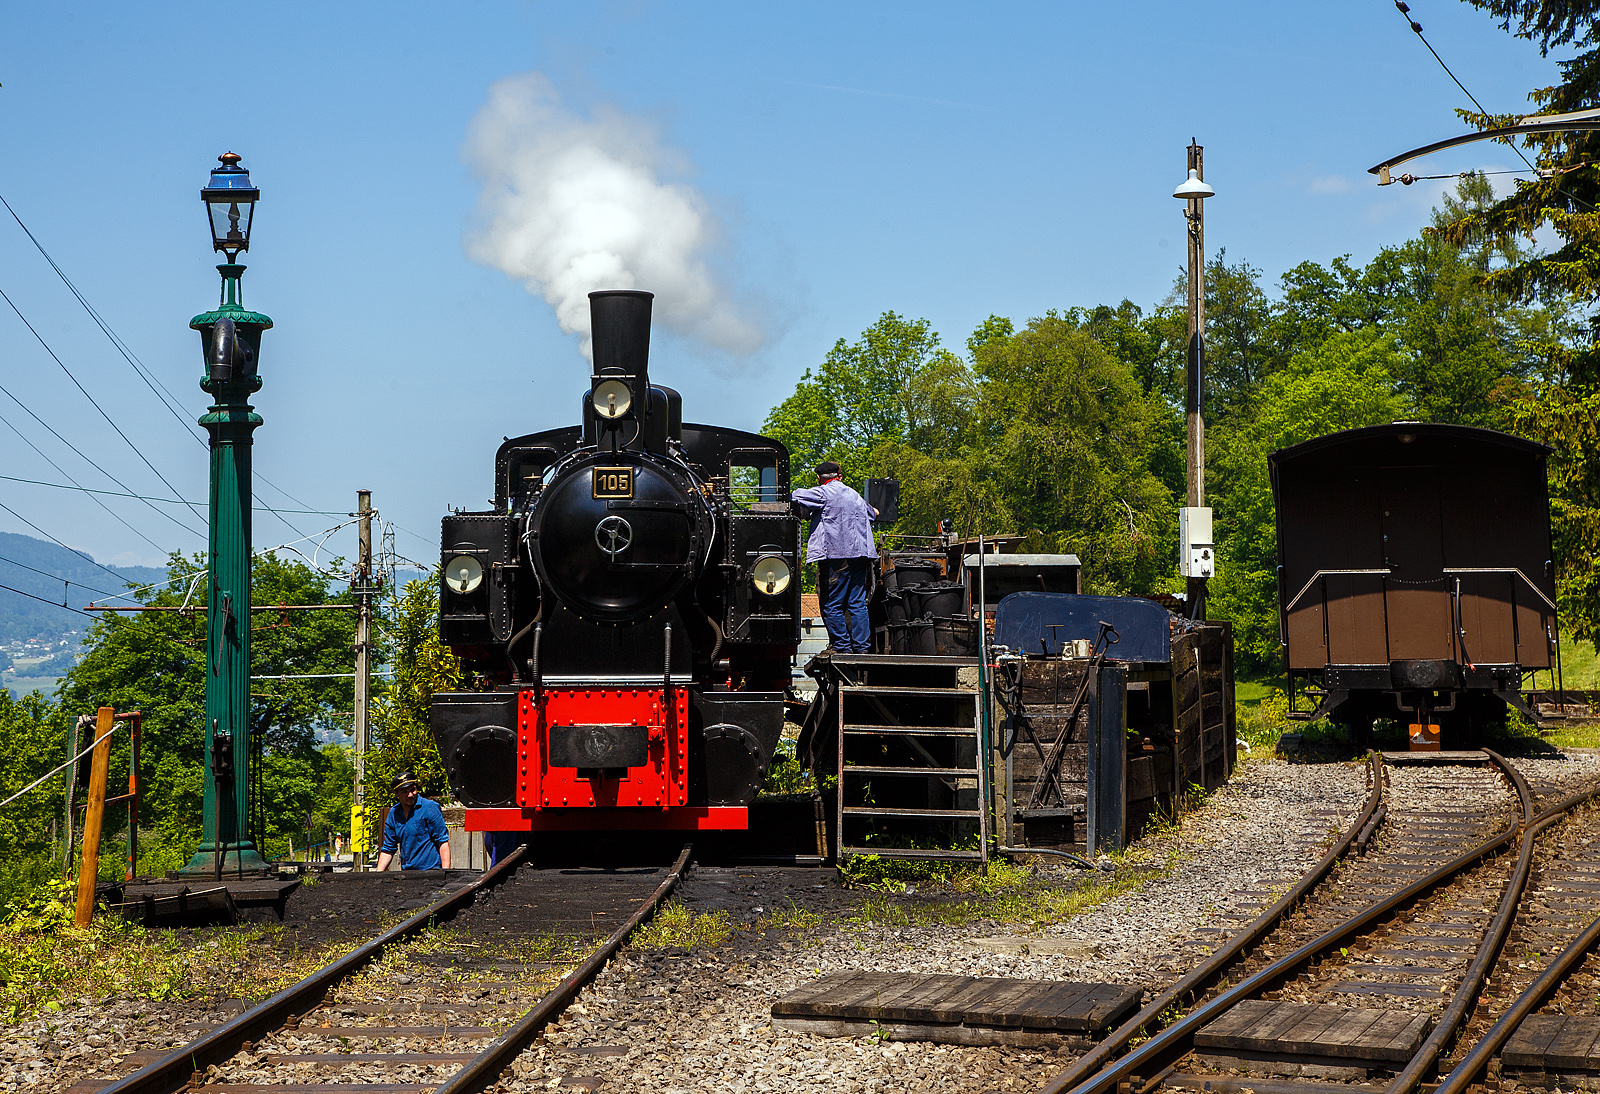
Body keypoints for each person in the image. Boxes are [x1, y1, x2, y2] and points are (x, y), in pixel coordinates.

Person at [792, 461, 878, 653]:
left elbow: (795, 495)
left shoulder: (823, 493)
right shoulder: (854, 495)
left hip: (837, 557)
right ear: (839, 476)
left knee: (831, 605)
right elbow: (873, 514)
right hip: (861, 557)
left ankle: (841, 646)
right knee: (857, 603)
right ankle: (862, 649)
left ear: (819, 479)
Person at [375, 771, 452, 871]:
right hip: (408, 873)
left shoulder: (429, 808)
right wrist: (377, 875)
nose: (410, 795)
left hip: (431, 872)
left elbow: (442, 842)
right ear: (396, 793)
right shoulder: (394, 813)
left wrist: (445, 872)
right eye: (404, 792)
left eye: (413, 790)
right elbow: (388, 848)